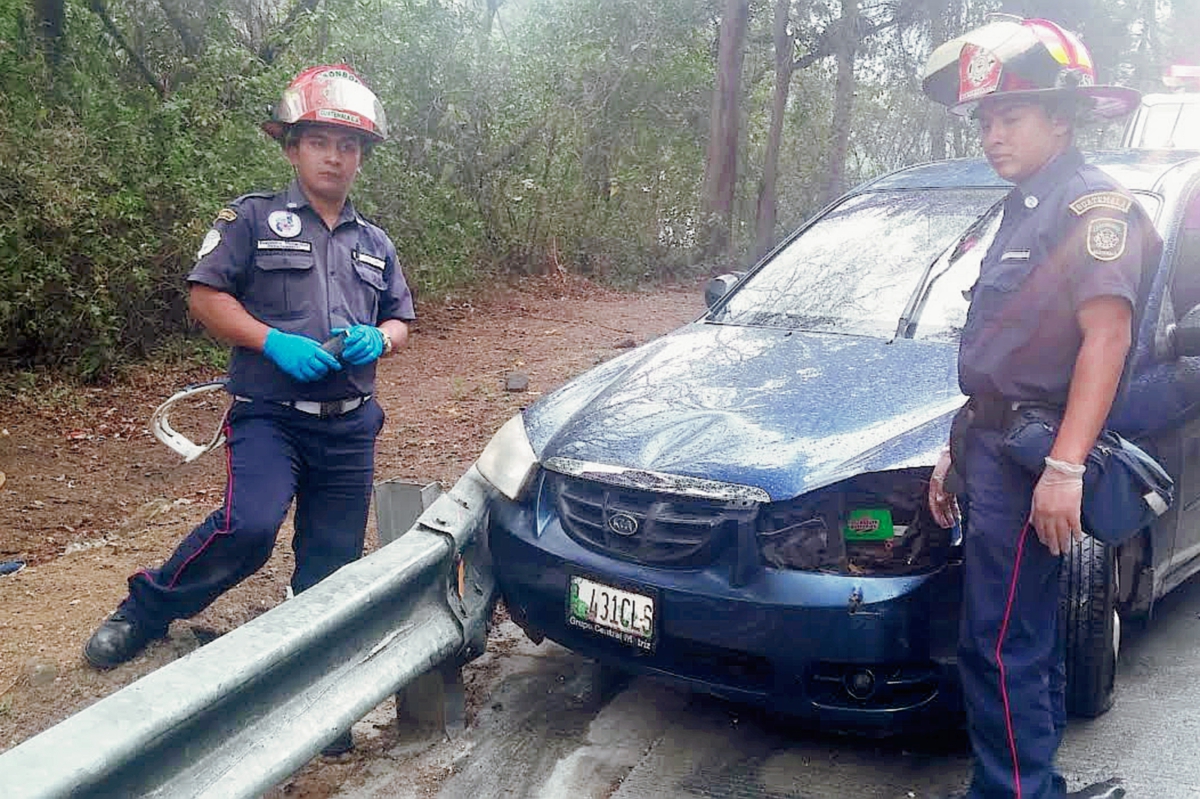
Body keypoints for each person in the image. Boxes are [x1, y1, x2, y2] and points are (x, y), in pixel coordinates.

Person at [84, 65, 414, 712]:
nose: (335, 156)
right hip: (270, 415)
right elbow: (206, 296)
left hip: (350, 423)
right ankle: (145, 610)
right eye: (320, 141)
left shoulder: (376, 243)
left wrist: (386, 339)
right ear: (292, 147)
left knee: (333, 554)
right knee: (250, 526)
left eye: (349, 146)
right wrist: (271, 340)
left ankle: (310, 660)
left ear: (361, 159)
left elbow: (401, 316)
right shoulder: (253, 219)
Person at [921, 17, 1161, 799]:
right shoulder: (1026, 206)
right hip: (995, 449)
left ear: (1061, 118)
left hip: (1033, 462)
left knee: (998, 641)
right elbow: (1004, 354)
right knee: (1021, 634)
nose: (993, 133)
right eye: (985, 119)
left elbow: (1108, 337)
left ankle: (1014, 792)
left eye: (1010, 116)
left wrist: (1063, 469)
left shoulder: (1091, 205)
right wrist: (958, 448)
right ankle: (1037, 784)